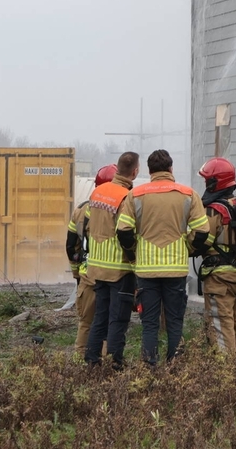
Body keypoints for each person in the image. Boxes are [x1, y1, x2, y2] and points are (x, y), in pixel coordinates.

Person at [117, 149, 209, 366]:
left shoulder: (135, 195)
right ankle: (175, 368)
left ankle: (149, 367)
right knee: (175, 322)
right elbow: (203, 232)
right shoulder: (188, 194)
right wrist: (187, 248)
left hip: (146, 271)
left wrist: (135, 251)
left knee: (149, 324)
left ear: (149, 171)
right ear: (170, 169)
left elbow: (123, 231)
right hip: (176, 270)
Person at [84, 152, 139, 368]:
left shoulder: (97, 192)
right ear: (135, 172)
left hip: (97, 267)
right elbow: (125, 232)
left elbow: (88, 226)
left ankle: (92, 359)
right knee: (118, 318)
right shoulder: (127, 197)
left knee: (100, 316)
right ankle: (115, 361)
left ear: (117, 169)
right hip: (119, 268)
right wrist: (135, 259)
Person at [197, 157, 236, 356]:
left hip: (220, 281)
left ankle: (226, 378)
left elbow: (202, 240)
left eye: (208, 181)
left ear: (215, 182)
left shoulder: (213, 212)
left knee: (221, 328)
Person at [65, 163, 117, 357]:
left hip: (88, 276)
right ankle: (104, 365)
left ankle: (80, 361)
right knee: (108, 323)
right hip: (113, 277)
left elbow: (71, 246)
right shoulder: (121, 208)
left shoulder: (80, 211)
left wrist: (77, 273)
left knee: (86, 323)